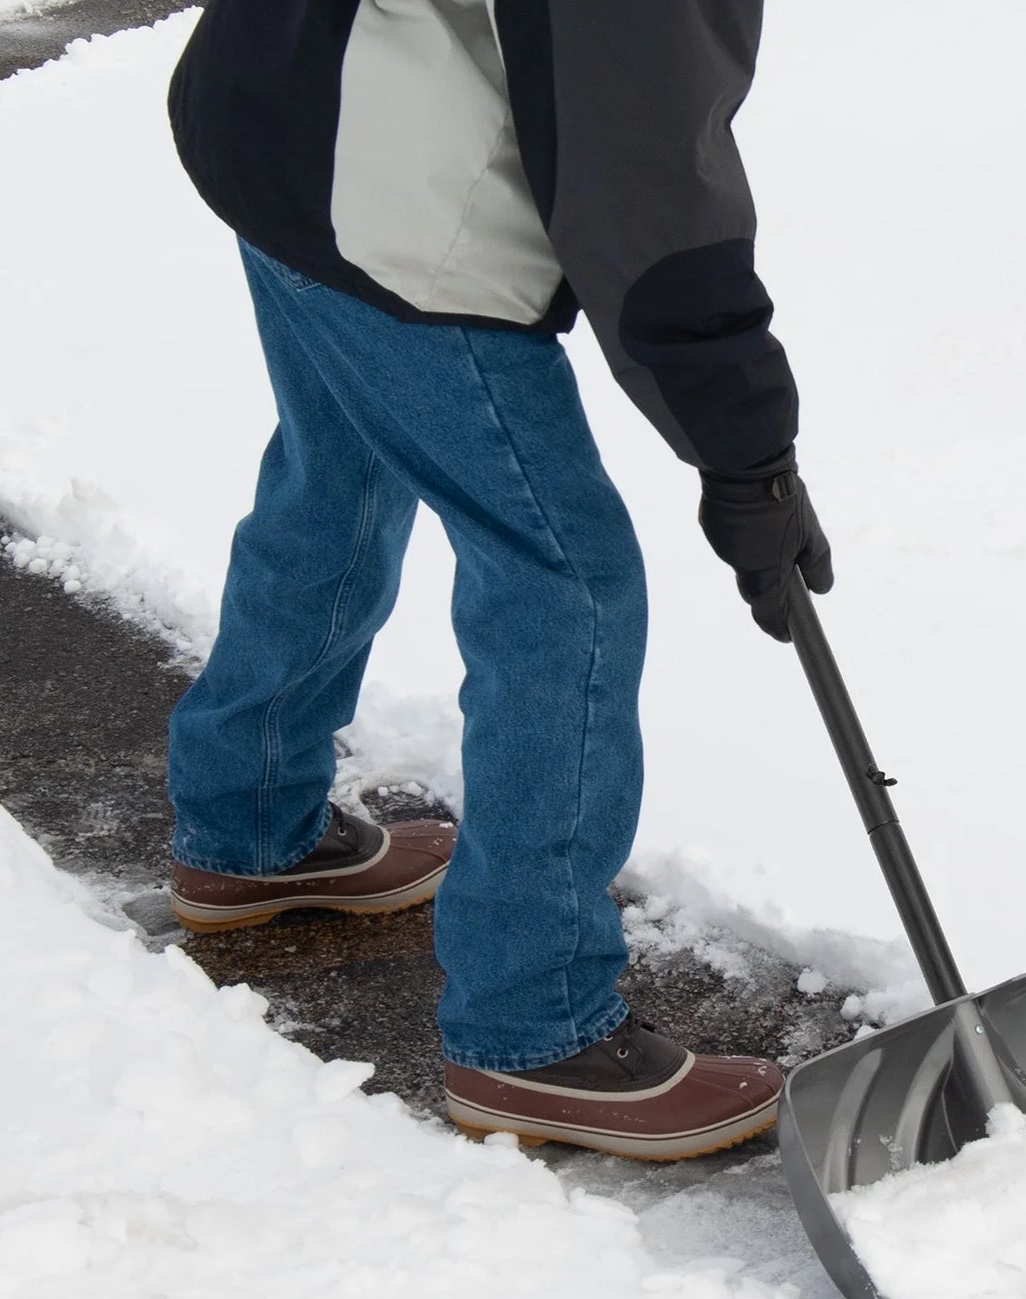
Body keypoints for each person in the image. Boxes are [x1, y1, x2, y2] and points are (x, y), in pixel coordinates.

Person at [162, 0, 833, 1162]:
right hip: (389, 196)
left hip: (271, 111)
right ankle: (537, 1028)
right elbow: (645, 178)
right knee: (564, 582)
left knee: (342, 469)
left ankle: (247, 826)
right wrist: (745, 455)